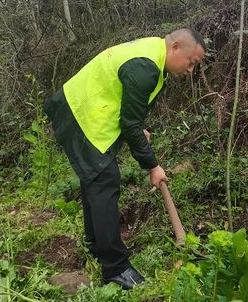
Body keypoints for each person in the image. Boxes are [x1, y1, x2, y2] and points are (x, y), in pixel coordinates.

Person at [43, 28, 206, 290]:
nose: (190, 71)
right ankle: (115, 269)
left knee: (94, 180)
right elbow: (129, 124)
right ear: (175, 47)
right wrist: (153, 165)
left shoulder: (151, 52)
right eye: (192, 62)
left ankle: (95, 245)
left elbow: (127, 105)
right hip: (82, 115)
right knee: (105, 180)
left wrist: (135, 126)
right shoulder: (147, 67)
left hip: (75, 107)